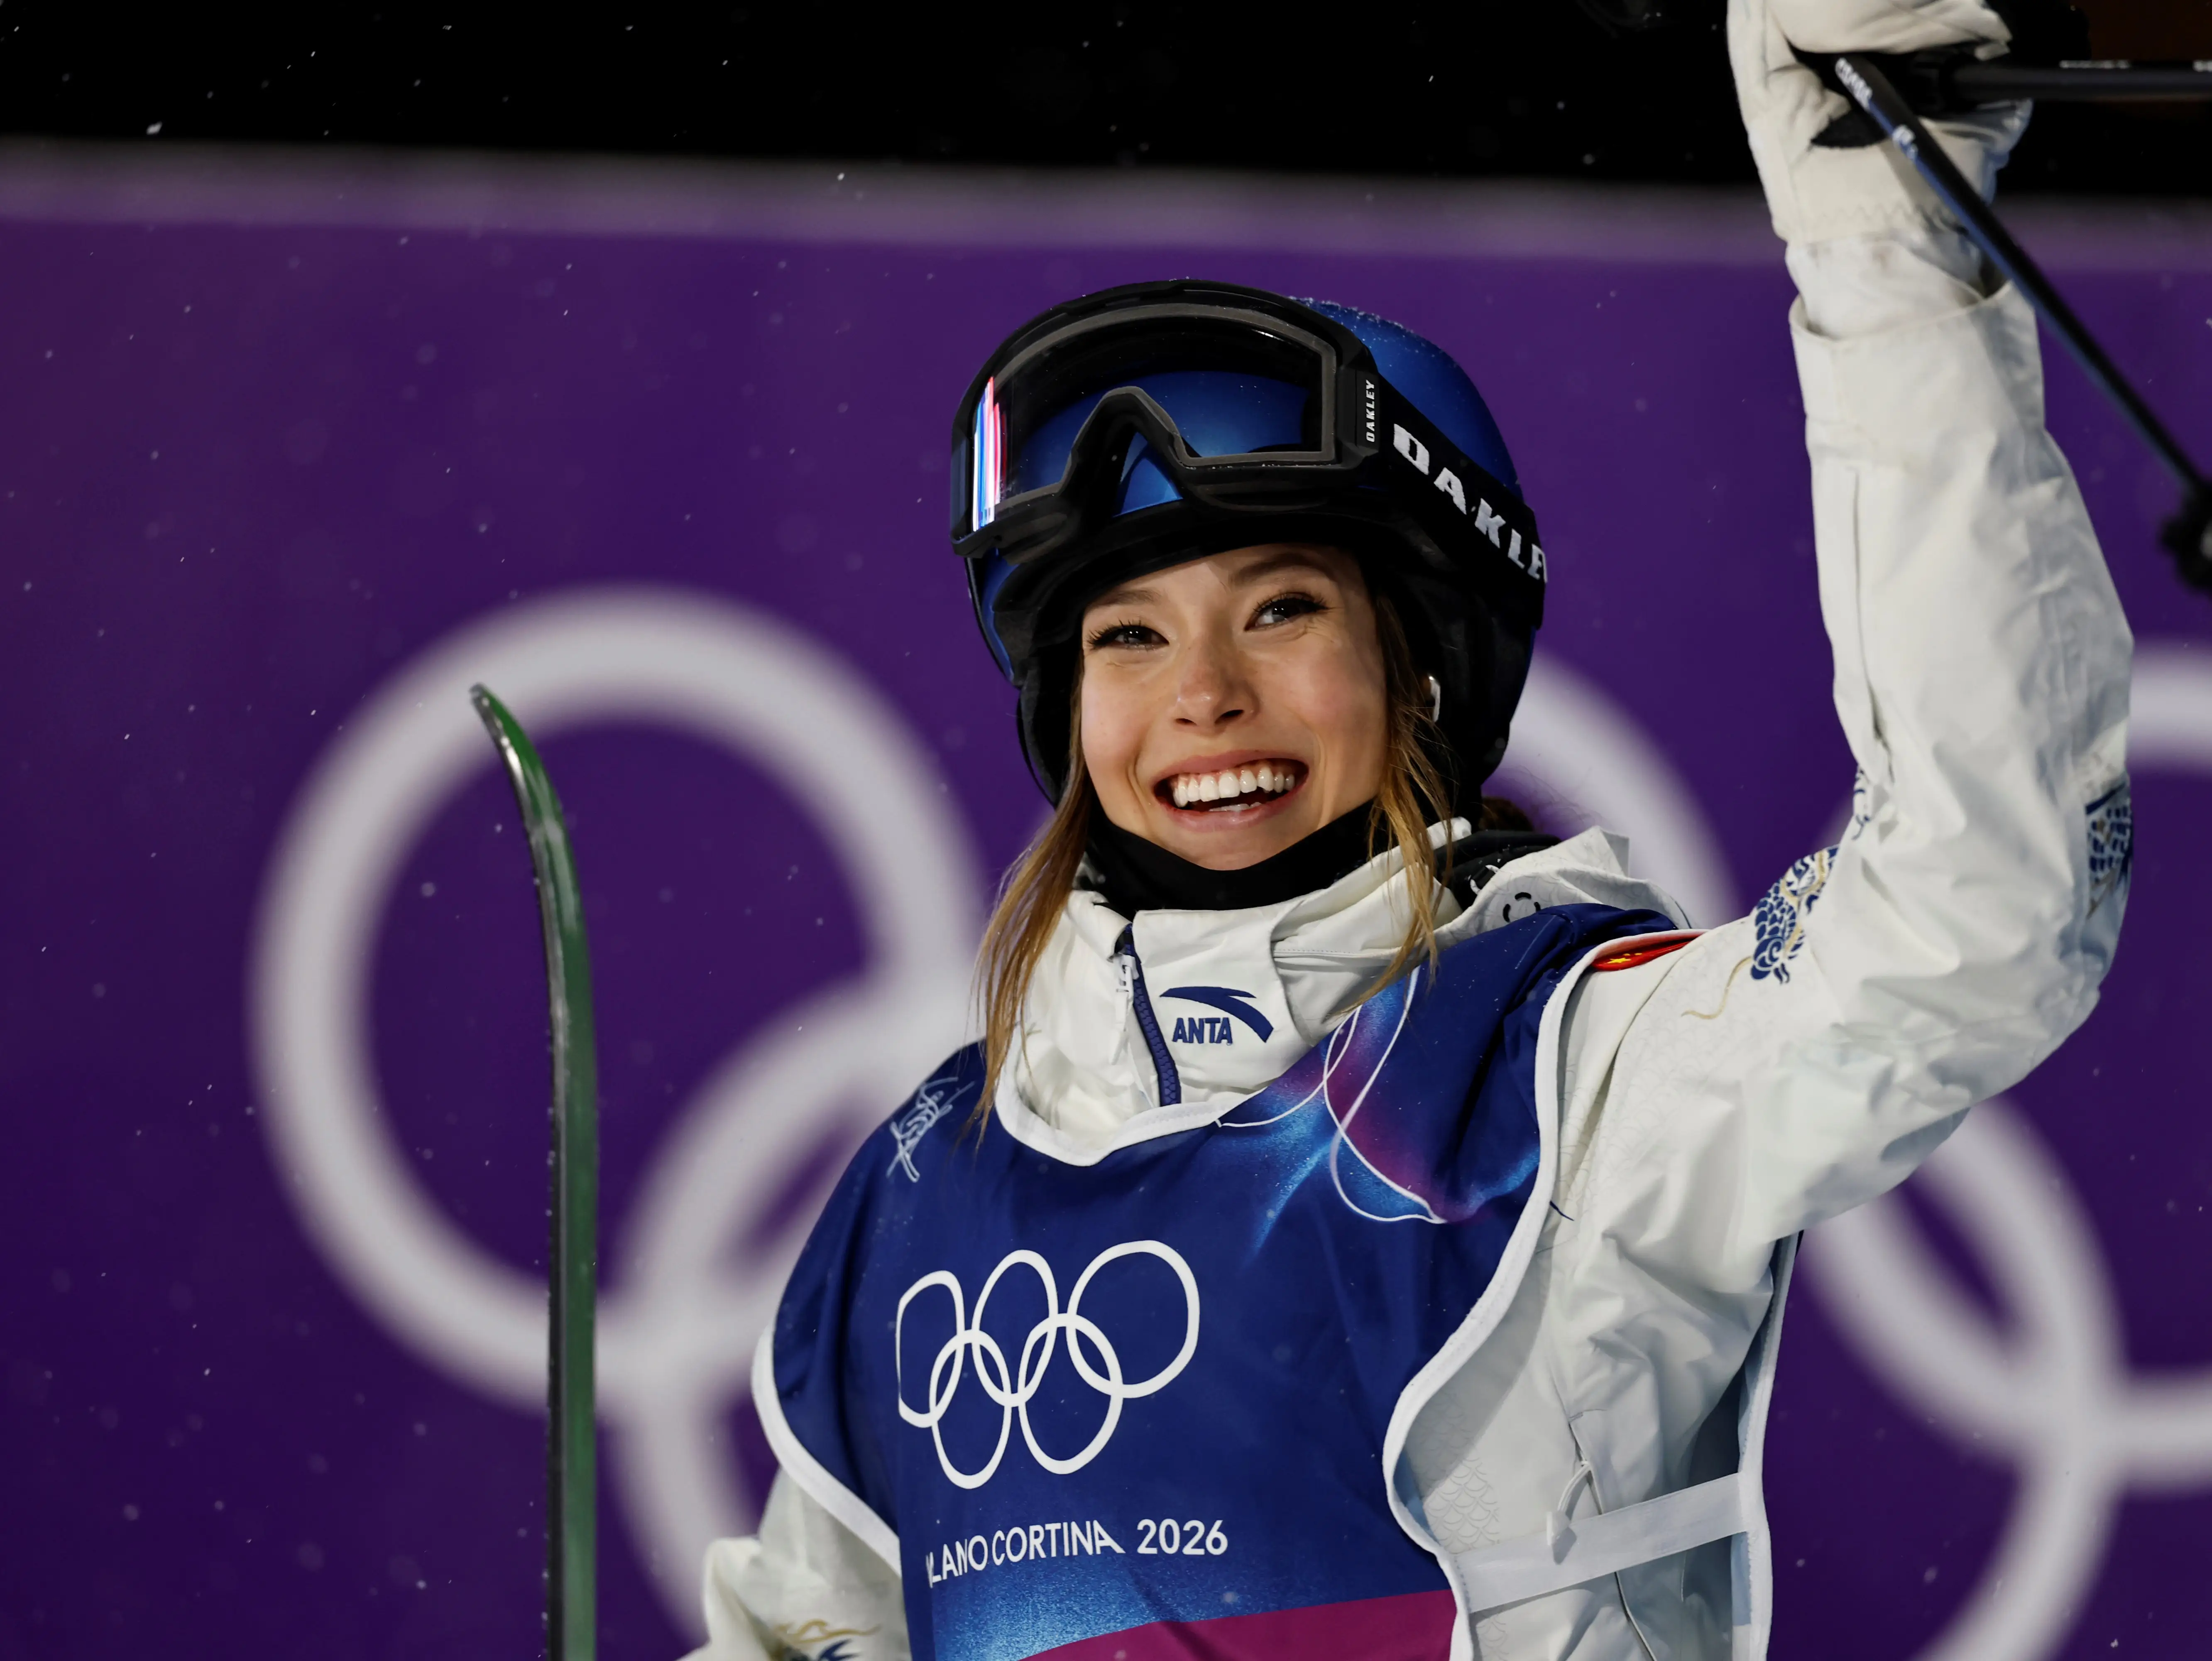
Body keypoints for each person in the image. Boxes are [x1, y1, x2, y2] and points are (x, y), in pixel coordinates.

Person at [685, 0, 2133, 1654]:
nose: (1203, 695)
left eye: (1282, 608)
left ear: (1422, 669)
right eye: (1127, 635)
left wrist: (1889, 265)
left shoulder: (1581, 1078)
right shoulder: (923, 1187)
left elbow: (1983, 901)